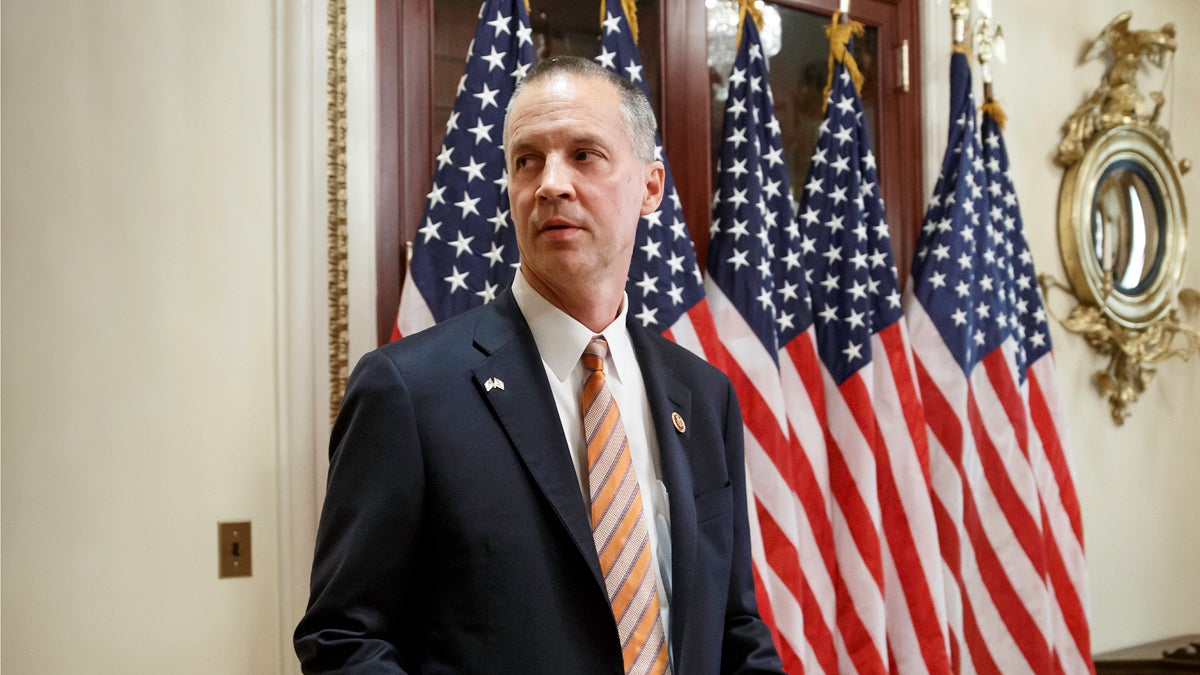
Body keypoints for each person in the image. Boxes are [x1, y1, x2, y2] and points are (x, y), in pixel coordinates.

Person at [294, 55, 784, 675]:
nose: (551, 182)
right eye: (527, 160)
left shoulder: (704, 396)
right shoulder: (408, 391)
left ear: (651, 186)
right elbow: (343, 638)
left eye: (584, 154)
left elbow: (734, 628)